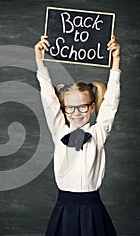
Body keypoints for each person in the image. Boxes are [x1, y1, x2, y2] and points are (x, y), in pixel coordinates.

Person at [35, 34, 121, 236]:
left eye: (82, 107)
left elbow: (111, 104)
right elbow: (48, 100)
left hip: (92, 209)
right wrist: (40, 61)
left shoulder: (98, 133)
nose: (76, 113)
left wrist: (116, 62)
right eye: (70, 108)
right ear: (64, 109)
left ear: (91, 107)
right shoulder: (60, 131)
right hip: (65, 209)